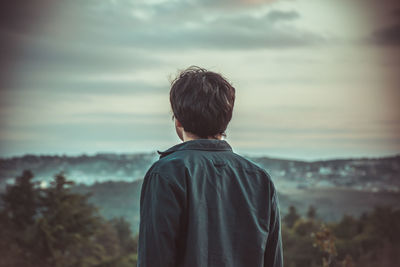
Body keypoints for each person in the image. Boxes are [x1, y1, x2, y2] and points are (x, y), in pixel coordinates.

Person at [137, 66, 283, 267]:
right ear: (226, 119)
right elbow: (273, 260)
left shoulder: (167, 172)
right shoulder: (259, 178)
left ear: (177, 120)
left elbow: (155, 259)